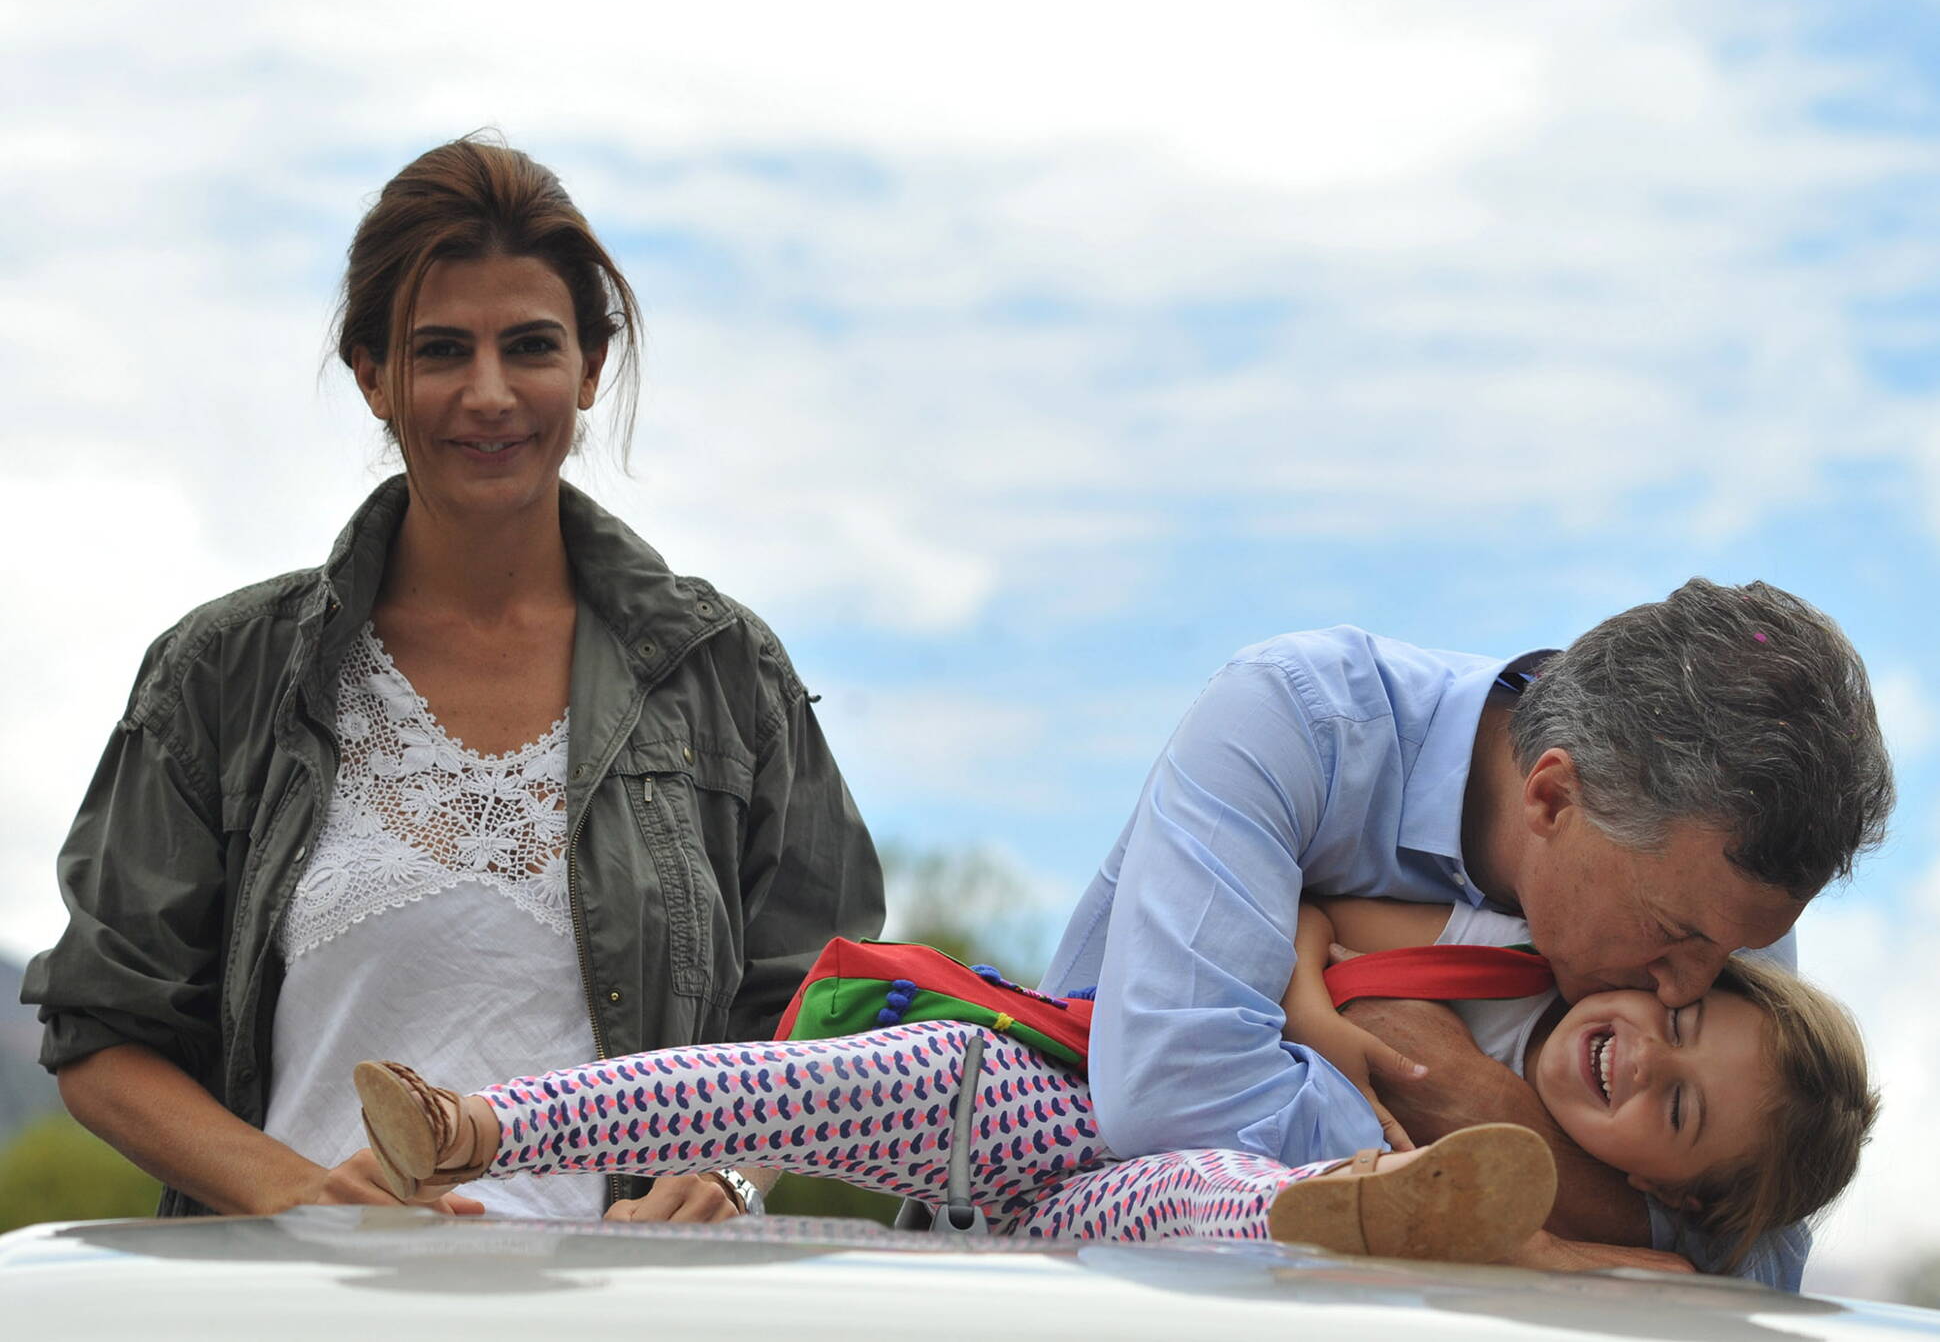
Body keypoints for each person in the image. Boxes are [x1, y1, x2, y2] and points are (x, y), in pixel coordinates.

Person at [21, 135, 883, 1223]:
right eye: (439, 351)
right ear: (373, 376)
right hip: (308, 1317)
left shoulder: (725, 675)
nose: (488, 394)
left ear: (589, 367)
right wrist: (302, 1195)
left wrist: (727, 1172)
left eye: (528, 345)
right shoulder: (222, 675)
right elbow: (104, 1035)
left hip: (642, 1320)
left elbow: (835, 1011)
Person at [1037, 586, 1893, 1286]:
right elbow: (1170, 1096)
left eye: (1727, 955)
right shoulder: (1292, 724)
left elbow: (1757, 1257)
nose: (1687, 989)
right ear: (1553, 798)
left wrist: (1476, 1102)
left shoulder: (1714, 902)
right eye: (1675, 938)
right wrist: (1524, 1206)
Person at [339, 886, 1871, 1270]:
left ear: (1683, 1189)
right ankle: (478, 1125)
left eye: (1678, 1109)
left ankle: (1362, 1210)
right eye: (1682, 1027)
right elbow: (1315, 920)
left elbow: (1656, 1272)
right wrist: (1336, 1031)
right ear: (1672, 977)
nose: (1642, 1062)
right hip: (1078, 1088)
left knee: (1225, 1197)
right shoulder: (1500, 960)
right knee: (900, 1067)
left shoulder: (1628, 1245)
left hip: (1134, 1190)